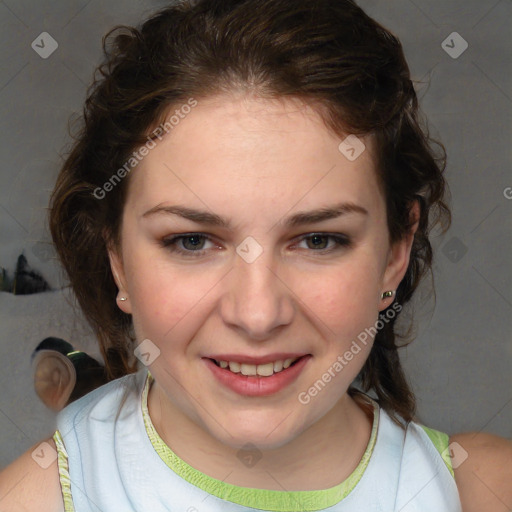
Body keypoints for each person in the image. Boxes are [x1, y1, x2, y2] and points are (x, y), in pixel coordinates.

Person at [1, 0, 511, 510]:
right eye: (192, 241)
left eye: (318, 240)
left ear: (396, 251)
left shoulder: (487, 490)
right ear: (116, 257)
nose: (258, 314)